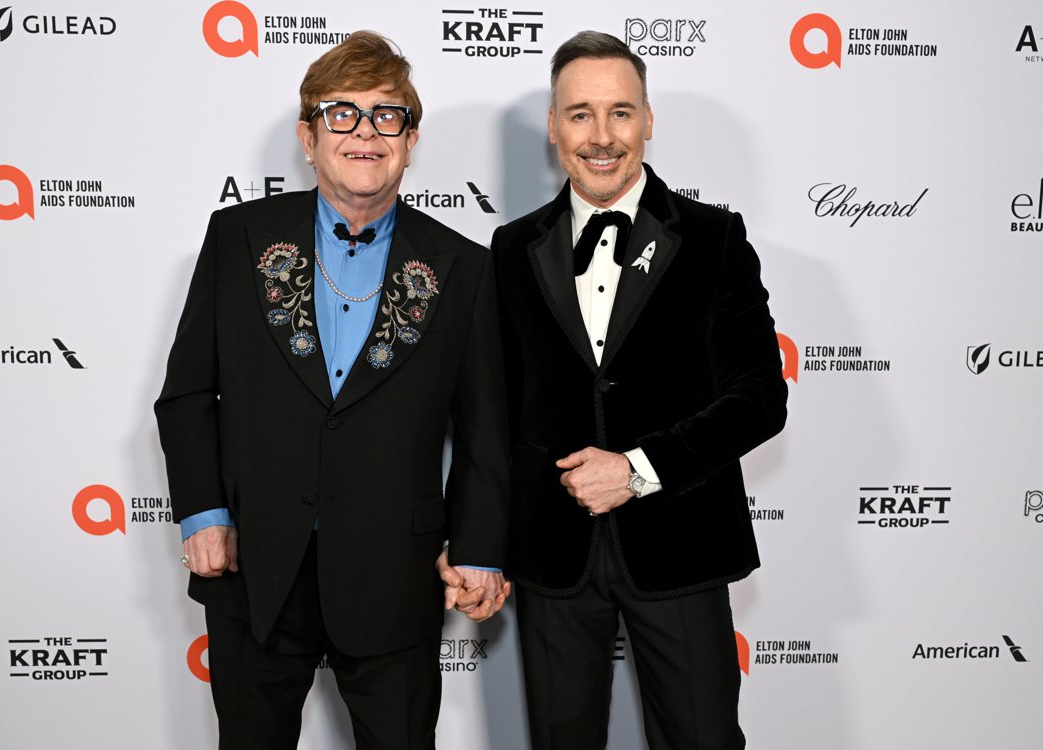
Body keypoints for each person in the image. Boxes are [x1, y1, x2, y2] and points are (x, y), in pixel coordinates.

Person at [155, 31, 509, 750]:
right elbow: (188, 395)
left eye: (387, 116)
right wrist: (201, 513)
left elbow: (487, 430)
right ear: (308, 136)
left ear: (409, 142)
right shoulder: (237, 238)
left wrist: (479, 547)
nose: (365, 134)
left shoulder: (465, 268)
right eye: (341, 113)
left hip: (395, 576)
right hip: (253, 564)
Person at [491, 31, 788, 750]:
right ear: (555, 128)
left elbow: (759, 398)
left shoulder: (715, 239)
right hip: (551, 557)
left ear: (648, 121)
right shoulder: (509, 247)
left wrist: (637, 469)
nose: (601, 136)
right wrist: (470, 538)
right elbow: (490, 411)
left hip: (680, 545)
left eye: (620, 112)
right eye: (580, 114)